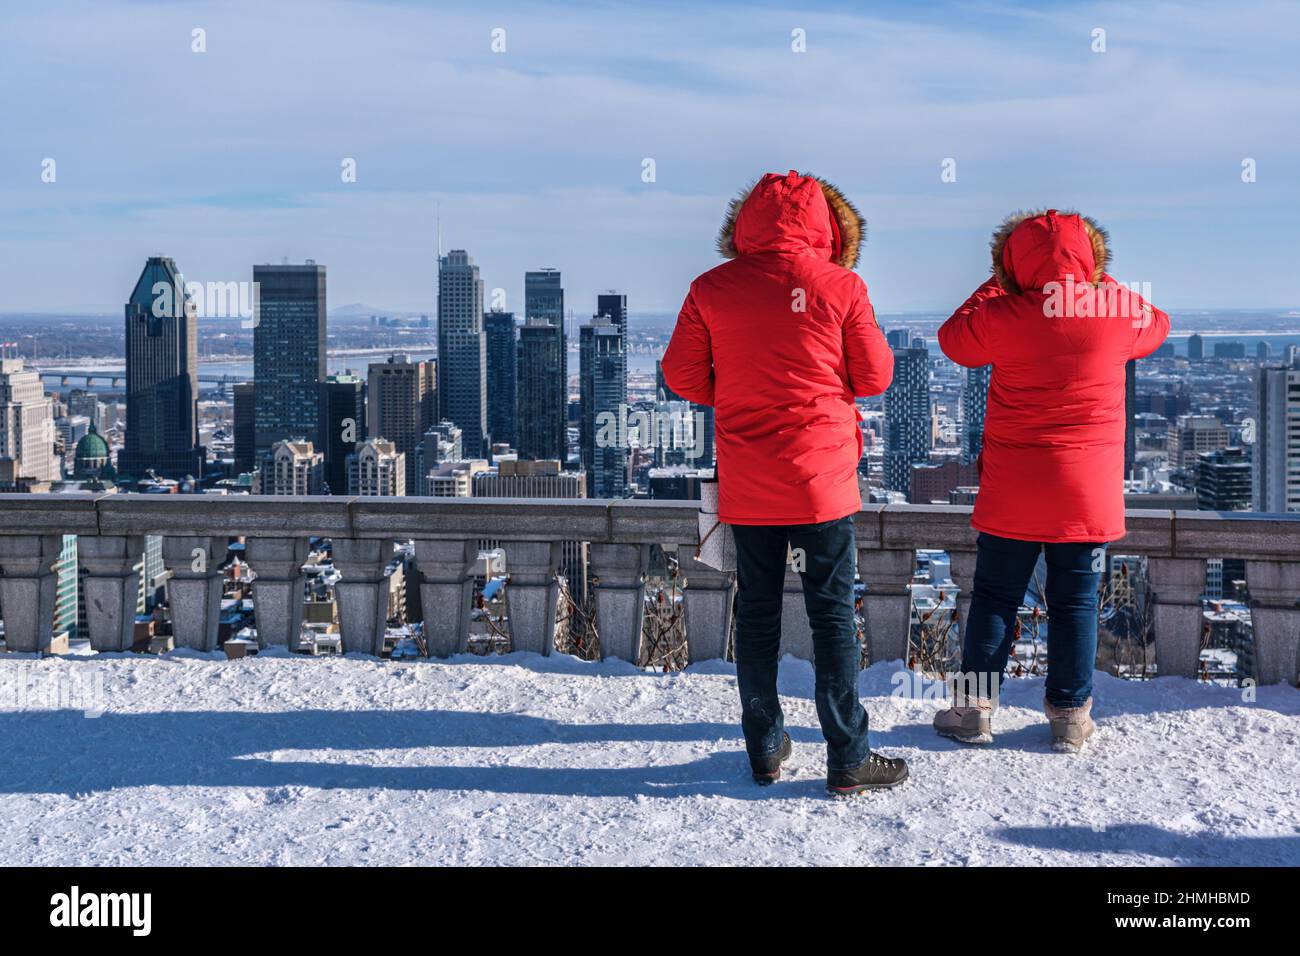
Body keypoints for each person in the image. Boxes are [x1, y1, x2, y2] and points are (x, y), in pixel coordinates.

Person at [661, 170, 906, 795]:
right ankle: (848, 753)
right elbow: (875, 376)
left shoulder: (711, 288)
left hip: (749, 478)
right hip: (821, 480)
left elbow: (682, 376)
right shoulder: (841, 285)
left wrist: (739, 393)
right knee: (830, 614)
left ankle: (764, 746)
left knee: (757, 612)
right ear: (826, 224)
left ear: (743, 223)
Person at [935, 209, 1169, 752]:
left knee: (995, 596)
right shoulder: (1113, 311)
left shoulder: (1003, 314)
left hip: (1014, 486)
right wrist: (1096, 282)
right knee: (1076, 602)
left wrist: (996, 285)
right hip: (1084, 493)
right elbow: (1157, 322)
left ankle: (972, 712)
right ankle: (1069, 716)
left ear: (1011, 264)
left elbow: (953, 339)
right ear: (1091, 257)